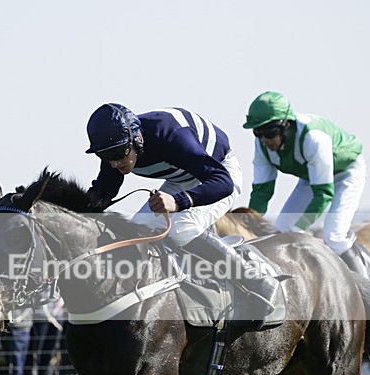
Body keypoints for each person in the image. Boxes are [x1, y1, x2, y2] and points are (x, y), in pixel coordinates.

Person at [85, 103, 284, 325]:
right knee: (138, 229)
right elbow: (102, 193)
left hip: (220, 173)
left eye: (118, 154)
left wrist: (179, 201)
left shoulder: (171, 136)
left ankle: (256, 280)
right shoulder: (116, 145)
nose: (114, 162)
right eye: (105, 155)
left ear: (137, 139)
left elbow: (223, 182)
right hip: (182, 177)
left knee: (181, 228)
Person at [242, 91, 369, 276]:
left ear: (286, 124)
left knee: (333, 236)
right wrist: (248, 224)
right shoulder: (262, 145)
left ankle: (366, 285)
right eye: (258, 132)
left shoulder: (313, 138)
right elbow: (262, 191)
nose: (265, 140)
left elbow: (323, 195)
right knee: (281, 231)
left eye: (270, 132)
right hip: (312, 177)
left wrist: (300, 226)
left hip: (346, 173)